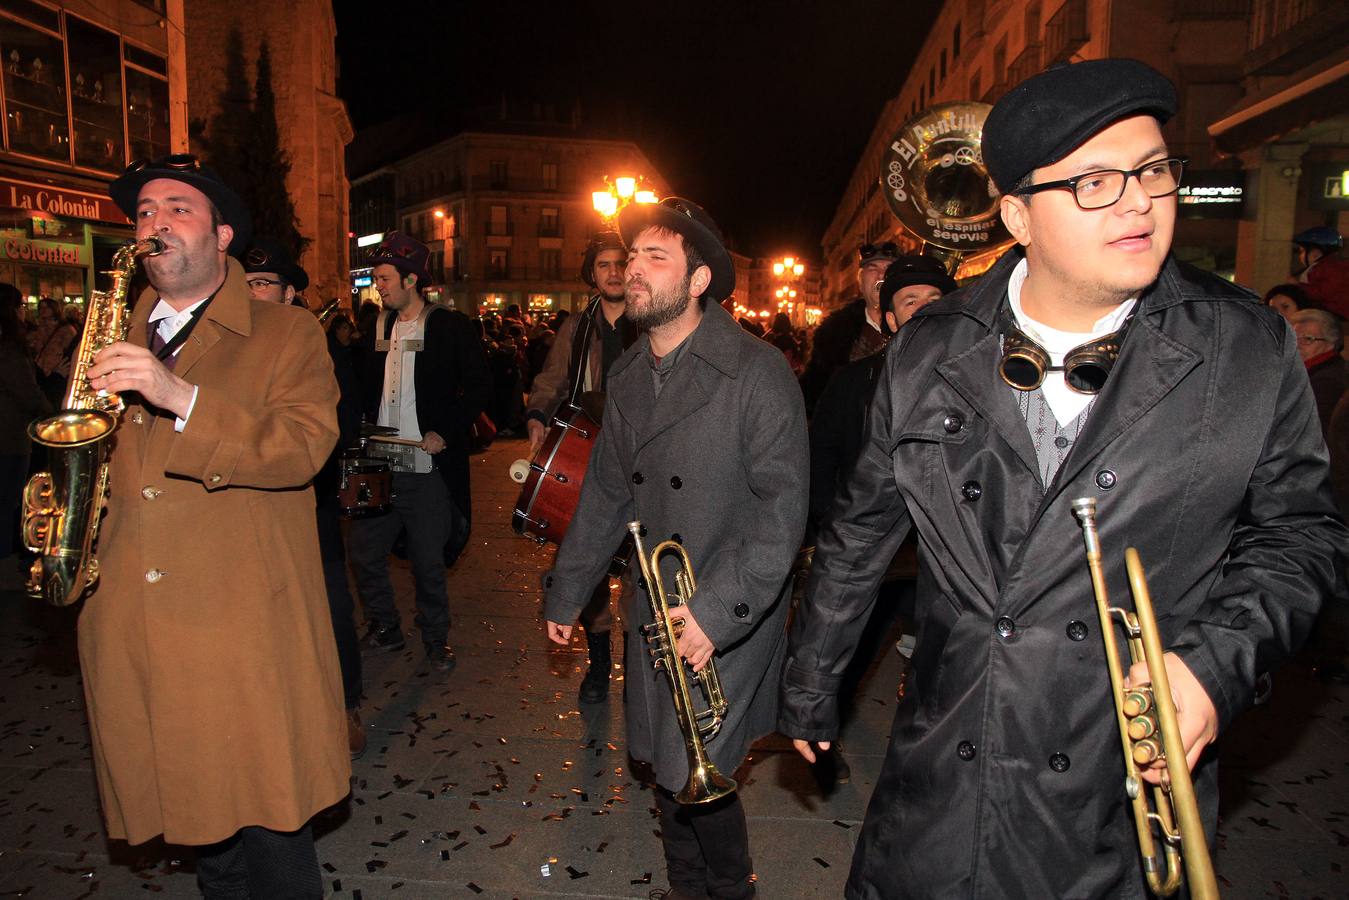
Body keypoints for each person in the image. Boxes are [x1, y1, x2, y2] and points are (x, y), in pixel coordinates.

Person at [779, 60, 1345, 898]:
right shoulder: (930, 345)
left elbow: (1299, 534)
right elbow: (862, 527)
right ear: (1016, 214)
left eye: (1152, 170)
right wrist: (809, 684)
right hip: (948, 748)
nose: (1137, 201)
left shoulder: (1245, 346)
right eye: (1092, 181)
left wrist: (1211, 667)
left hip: (1112, 773)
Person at [80, 155, 348, 897]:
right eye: (143, 213)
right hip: (139, 614)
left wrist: (177, 393)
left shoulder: (287, 333)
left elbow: (301, 448)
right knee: (202, 830)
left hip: (239, 621)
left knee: (269, 824)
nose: (154, 223)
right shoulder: (109, 334)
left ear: (222, 234)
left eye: (177, 208)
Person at [544, 198, 807, 899]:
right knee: (667, 762)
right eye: (631, 257)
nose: (632, 269)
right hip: (656, 606)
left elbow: (783, 512)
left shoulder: (755, 371)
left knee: (702, 763)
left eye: (653, 258)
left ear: (697, 282)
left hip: (726, 607)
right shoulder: (627, 376)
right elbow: (604, 495)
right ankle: (687, 888)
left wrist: (715, 614)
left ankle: (730, 892)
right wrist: (567, 590)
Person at [244, 237, 366, 759]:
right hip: (247, 496)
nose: (252, 294)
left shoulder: (316, 343)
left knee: (327, 594)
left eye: (263, 284)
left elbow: (337, 422)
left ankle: (345, 706)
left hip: (306, 491)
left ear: (290, 293)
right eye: (245, 284)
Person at [351, 232, 490, 674]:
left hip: (425, 466)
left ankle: (435, 639)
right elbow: (356, 388)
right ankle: (386, 626)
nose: (379, 286)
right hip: (375, 462)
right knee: (364, 551)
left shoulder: (449, 327)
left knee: (428, 561)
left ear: (412, 279)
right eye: (376, 278)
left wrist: (444, 431)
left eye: (385, 278)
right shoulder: (376, 327)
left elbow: (480, 387)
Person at [526, 230, 636, 704]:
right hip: (586, 451)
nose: (613, 273)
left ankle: (641, 665)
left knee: (638, 564)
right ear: (592, 275)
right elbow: (551, 379)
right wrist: (535, 416)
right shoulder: (577, 325)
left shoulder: (650, 319)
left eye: (620, 264)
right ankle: (598, 664)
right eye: (604, 266)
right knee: (585, 556)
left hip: (640, 454)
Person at [808, 255, 955, 529]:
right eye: (910, 301)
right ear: (892, 319)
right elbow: (822, 462)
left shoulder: (976, 376)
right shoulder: (850, 381)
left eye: (934, 300)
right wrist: (839, 524)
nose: (925, 308)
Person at [798, 241, 898, 415]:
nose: (881, 275)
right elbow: (815, 396)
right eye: (872, 269)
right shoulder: (832, 336)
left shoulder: (916, 328)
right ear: (860, 281)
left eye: (888, 268)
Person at [0, 282, 48, 567]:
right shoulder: (8, 349)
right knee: (8, 502)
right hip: (9, 437)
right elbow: (27, 393)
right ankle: (5, 562)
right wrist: (50, 415)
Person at [1290, 308, 1347, 431]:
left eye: (1307, 339)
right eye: (1294, 338)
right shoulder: (1304, 371)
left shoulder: (1328, 380)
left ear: (1331, 342)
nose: (1297, 345)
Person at [1294, 226, 1349, 319]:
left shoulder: (1330, 268)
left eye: (1302, 251)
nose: (1300, 256)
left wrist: (1299, 287)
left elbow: (1324, 292)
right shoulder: (1323, 267)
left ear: (1316, 253)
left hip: (1336, 316)